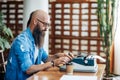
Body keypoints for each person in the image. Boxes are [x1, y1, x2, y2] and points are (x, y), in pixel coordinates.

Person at [5, 9, 74, 80]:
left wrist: (57, 56)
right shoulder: (21, 41)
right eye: (45, 24)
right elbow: (28, 69)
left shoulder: (36, 39)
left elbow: (46, 59)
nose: (47, 28)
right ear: (35, 21)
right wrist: (53, 63)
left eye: (48, 25)